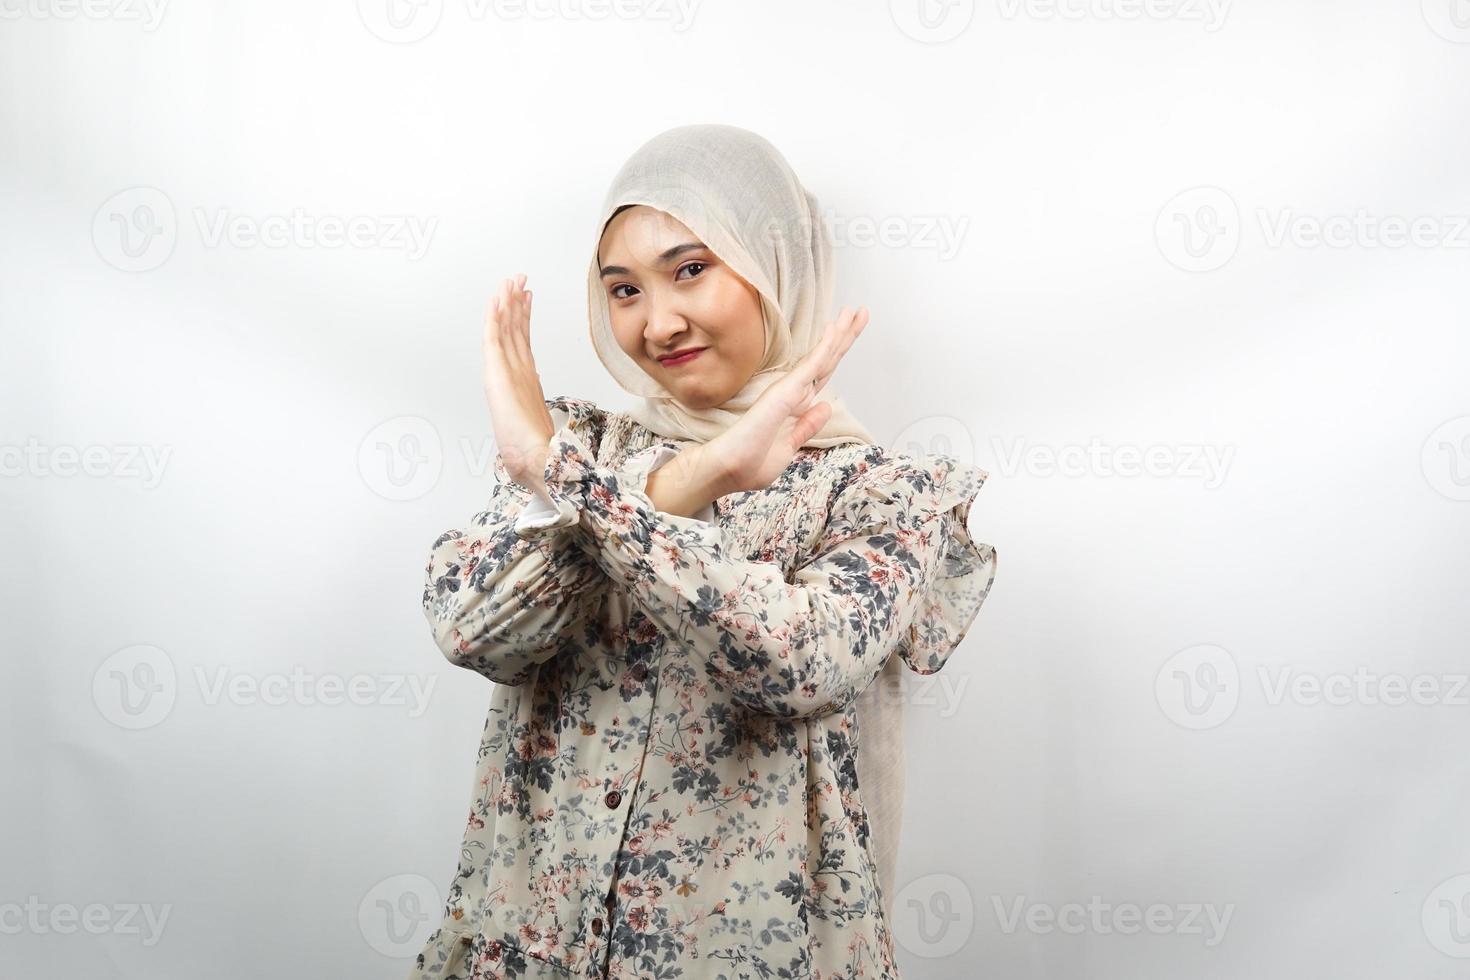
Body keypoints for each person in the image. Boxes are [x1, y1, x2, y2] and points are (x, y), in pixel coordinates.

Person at [410, 123, 997, 979]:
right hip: (532, 947)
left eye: (691, 269)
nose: (658, 322)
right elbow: (473, 628)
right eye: (623, 290)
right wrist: (693, 478)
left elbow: (794, 665)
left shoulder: (887, 491)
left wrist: (570, 486)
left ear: (774, 266)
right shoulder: (582, 447)